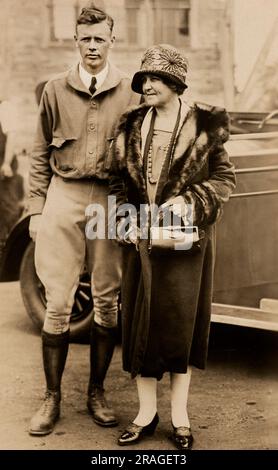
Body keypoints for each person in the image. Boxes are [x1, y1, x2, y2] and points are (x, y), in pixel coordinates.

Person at [109, 44, 236, 449]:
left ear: (176, 83)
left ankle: (180, 417)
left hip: (186, 244)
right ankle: (146, 414)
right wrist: (125, 218)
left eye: (156, 79)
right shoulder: (129, 126)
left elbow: (224, 179)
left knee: (180, 327)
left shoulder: (203, 125)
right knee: (140, 326)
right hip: (142, 243)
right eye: (143, 79)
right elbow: (117, 184)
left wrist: (189, 201)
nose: (146, 86)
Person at [28, 3, 138, 436]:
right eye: (85, 39)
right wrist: (37, 210)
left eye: (100, 39)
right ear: (76, 41)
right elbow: (38, 154)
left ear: (112, 41)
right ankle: (51, 398)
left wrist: (132, 211)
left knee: (108, 301)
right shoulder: (55, 90)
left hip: (110, 200)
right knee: (58, 301)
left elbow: (138, 155)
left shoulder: (131, 91)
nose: (93, 47)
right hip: (65, 194)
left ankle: (97, 392)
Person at [0, 98, 24, 243]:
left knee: (7, 207)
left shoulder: (5, 107)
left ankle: (10, 247)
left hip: (3, 164)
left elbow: (12, 135)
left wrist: (6, 163)